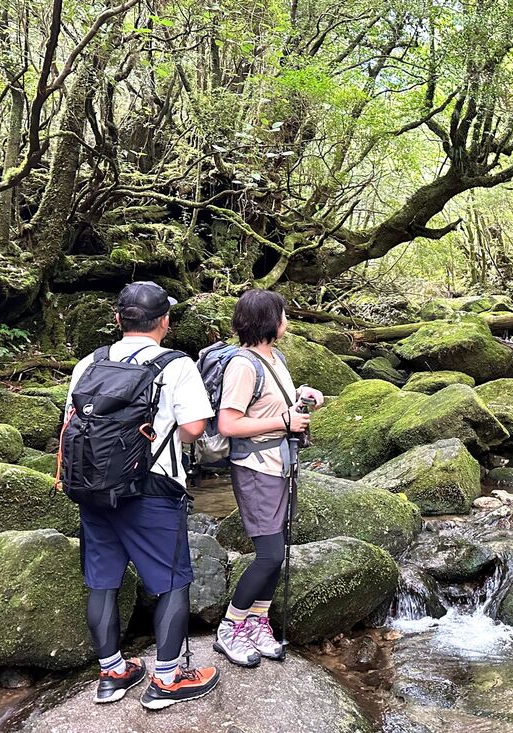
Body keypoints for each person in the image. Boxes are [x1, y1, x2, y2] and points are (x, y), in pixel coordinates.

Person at [64, 281, 220, 709]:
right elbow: (193, 429)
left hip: (93, 488)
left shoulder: (89, 363)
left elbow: (73, 423)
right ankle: (167, 680)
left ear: (118, 319)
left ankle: (112, 673)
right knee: (171, 582)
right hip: (152, 488)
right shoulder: (176, 365)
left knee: (102, 581)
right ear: (165, 321)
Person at [213, 289, 324, 666]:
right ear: (269, 321)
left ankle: (257, 622)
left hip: (280, 466)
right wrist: (285, 421)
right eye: (283, 314)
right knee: (269, 555)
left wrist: (301, 394)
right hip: (256, 469)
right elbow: (228, 423)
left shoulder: (274, 357)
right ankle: (230, 628)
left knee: (276, 556)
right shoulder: (243, 365)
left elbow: (273, 402)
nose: (287, 321)